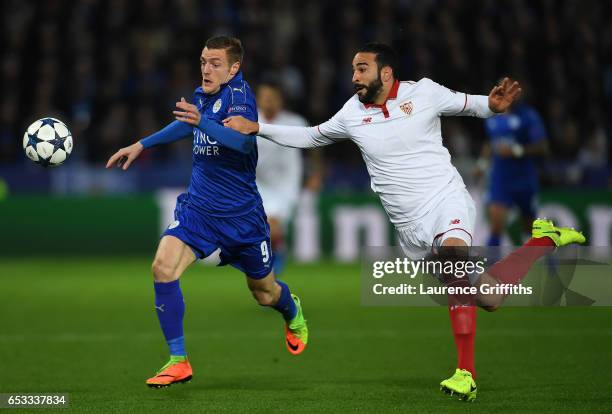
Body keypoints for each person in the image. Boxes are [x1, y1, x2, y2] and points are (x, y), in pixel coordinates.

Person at [223, 42, 585, 402]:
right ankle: (543, 239)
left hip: (446, 199)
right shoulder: (352, 112)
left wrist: (493, 105)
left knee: (454, 260)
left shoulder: (425, 92)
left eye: (361, 68)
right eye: (352, 69)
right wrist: (257, 127)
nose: (354, 77)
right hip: (410, 227)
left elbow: (474, 105)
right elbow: (311, 136)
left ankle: (466, 373)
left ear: (386, 72)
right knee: (488, 297)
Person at [105, 36, 309, 389]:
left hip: (242, 218)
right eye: (203, 61)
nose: (206, 68)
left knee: (264, 292)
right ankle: (178, 360)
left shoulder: (241, 97)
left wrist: (203, 122)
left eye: (215, 63)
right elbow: (186, 124)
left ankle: (291, 310)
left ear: (234, 68)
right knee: (162, 267)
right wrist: (141, 144)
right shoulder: (203, 97)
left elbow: (243, 141)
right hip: (198, 209)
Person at [475, 98, 549, 247]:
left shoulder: (528, 116)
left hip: (524, 179)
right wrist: (482, 165)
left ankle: (551, 264)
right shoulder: (492, 115)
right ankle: (490, 269)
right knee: (496, 226)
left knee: (530, 228)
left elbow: (543, 147)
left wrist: (516, 150)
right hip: (500, 179)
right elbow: (490, 142)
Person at [255, 81, 308, 275]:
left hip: (286, 185)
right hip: (257, 184)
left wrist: (316, 173)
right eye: (264, 97)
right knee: (264, 228)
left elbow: (315, 149)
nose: (268, 101)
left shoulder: (295, 122)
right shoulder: (249, 122)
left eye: (272, 97)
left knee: (272, 223)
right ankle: (275, 253)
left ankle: (275, 260)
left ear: (280, 100)